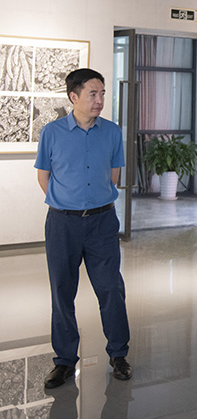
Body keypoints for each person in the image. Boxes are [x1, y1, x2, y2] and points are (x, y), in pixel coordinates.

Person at [34, 68, 131, 388]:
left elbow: (114, 175)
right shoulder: (51, 132)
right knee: (62, 291)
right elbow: (44, 176)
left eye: (102, 93)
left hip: (102, 222)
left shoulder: (112, 132)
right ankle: (64, 361)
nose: (99, 100)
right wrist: (68, 203)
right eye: (93, 93)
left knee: (111, 289)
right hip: (63, 223)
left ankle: (118, 354)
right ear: (73, 97)